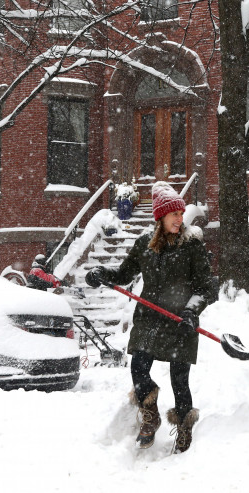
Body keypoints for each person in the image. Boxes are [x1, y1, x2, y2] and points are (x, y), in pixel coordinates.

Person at [85, 181, 212, 452]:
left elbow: (205, 287)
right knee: (138, 368)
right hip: (150, 319)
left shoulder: (191, 245)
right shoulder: (145, 244)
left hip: (181, 320)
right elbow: (123, 275)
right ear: (160, 217)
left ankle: (184, 427)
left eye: (181, 214)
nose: (180, 219)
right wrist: (101, 275)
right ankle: (150, 414)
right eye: (174, 214)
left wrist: (191, 312)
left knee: (180, 379)